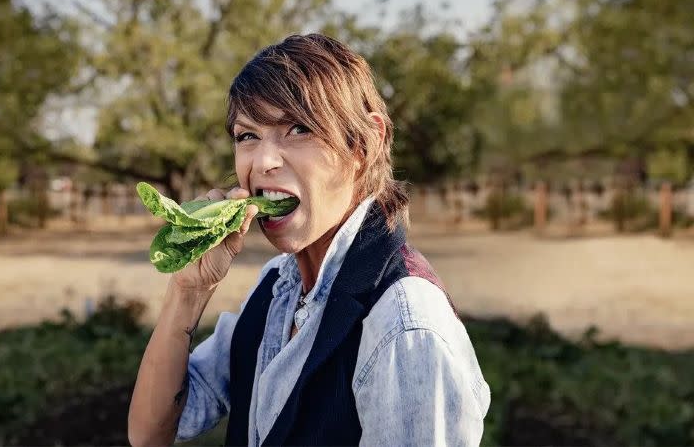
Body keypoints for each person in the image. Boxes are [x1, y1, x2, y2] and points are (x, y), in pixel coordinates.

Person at [127, 33, 490, 447]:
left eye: (298, 129)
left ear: (364, 145)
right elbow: (150, 433)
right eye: (248, 135)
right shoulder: (275, 290)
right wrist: (189, 291)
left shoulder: (404, 326)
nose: (263, 161)